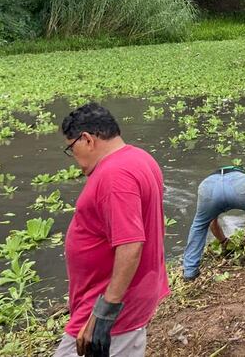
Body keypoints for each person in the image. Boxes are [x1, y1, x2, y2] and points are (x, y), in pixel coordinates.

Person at [55, 103, 168, 357]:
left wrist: (103, 314)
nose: (74, 159)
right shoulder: (139, 157)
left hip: (110, 307)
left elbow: (131, 244)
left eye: (71, 148)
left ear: (87, 139)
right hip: (121, 296)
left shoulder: (114, 175)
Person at [182, 166, 245, 280]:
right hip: (240, 186)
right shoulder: (243, 176)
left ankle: (189, 271)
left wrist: (223, 241)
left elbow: (213, 223)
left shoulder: (211, 178)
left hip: (209, 188)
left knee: (199, 225)